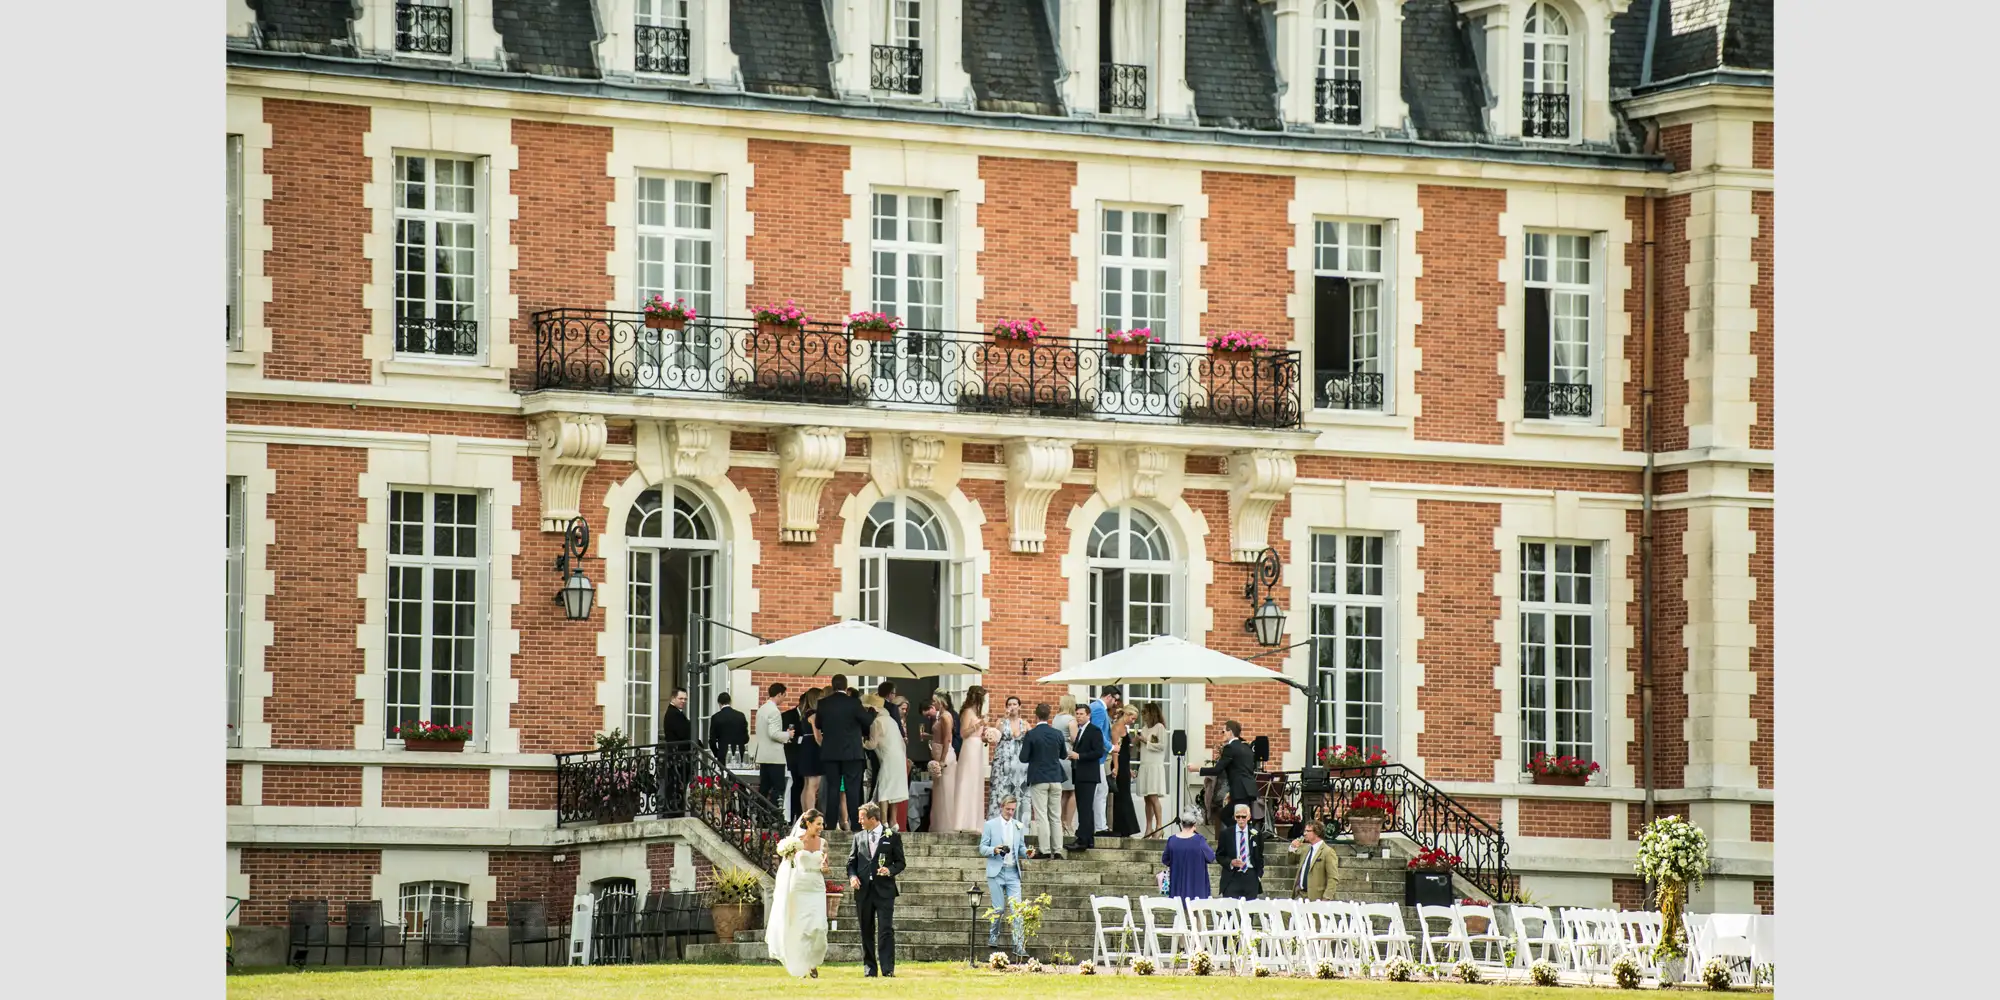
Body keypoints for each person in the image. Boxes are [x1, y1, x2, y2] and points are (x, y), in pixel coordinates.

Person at [766, 809, 830, 978]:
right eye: (818, 824)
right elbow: (786, 866)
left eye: (821, 824)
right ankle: (803, 965)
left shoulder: (823, 843)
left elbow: (825, 866)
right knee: (801, 928)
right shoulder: (795, 842)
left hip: (816, 886)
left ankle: (813, 961)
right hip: (799, 886)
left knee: (818, 927)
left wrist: (825, 868)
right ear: (808, 824)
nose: (821, 827)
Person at [847, 801, 904, 977]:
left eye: (862, 818)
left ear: (873, 818)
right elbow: (851, 863)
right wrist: (852, 877)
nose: (860, 821)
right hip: (863, 891)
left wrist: (890, 870)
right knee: (866, 929)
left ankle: (887, 969)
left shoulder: (892, 837)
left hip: (884, 890)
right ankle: (870, 968)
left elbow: (901, 862)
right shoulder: (858, 837)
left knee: (886, 929)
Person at [813, 674, 874, 831]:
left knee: (833, 788)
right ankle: (855, 824)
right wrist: (872, 712)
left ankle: (831, 824)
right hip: (851, 752)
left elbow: (818, 724)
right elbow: (867, 721)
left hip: (830, 752)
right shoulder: (853, 703)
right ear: (846, 687)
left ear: (833, 686)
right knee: (852, 789)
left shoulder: (823, 703)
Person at [980, 795, 1031, 958]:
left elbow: (1021, 847)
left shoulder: (1018, 826)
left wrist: (1028, 853)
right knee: (999, 908)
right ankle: (993, 934)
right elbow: (982, 848)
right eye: (1008, 809)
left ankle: (1019, 944)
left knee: (1017, 909)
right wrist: (994, 849)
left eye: (1013, 810)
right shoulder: (990, 825)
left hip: (1013, 872)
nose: (1010, 812)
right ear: (1001, 807)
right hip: (996, 871)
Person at [1017, 702, 1067, 859]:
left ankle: (1045, 850)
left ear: (1036, 715)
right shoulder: (1057, 734)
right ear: (1049, 715)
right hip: (1056, 777)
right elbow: (1063, 755)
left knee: (1041, 816)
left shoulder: (1032, 734)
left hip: (1039, 777)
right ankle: (1058, 850)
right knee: (1055, 815)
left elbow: (1023, 758)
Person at [938, 685, 990, 833]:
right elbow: (963, 733)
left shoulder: (976, 712)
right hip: (969, 748)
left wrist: (985, 734)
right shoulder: (968, 712)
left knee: (975, 782)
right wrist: (980, 724)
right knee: (967, 781)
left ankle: (973, 822)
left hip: (977, 746)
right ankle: (962, 821)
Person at [1192, 719, 1259, 824]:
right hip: (1249, 790)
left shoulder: (1230, 748)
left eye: (1223, 731)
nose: (1222, 734)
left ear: (1230, 732)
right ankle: (1241, 836)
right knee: (1243, 818)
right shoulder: (1247, 748)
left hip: (1240, 791)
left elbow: (1217, 770)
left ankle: (1241, 836)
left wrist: (1198, 769)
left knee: (1227, 816)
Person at [861, 693, 909, 829]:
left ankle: (883, 821)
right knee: (895, 789)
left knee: (884, 789)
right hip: (899, 757)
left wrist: (860, 742)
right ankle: (894, 821)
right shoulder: (891, 720)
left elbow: (872, 744)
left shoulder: (877, 722)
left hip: (888, 758)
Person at [1067, 705, 1106, 853]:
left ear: (1088, 715)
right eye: (1077, 714)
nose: (1079, 716)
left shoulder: (1094, 730)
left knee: (1084, 807)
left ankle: (1082, 839)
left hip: (1088, 775)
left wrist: (1079, 756)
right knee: (1084, 807)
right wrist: (1073, 755)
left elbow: (1097, 752)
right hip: (1080, 773)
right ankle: (1088, 839)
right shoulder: (1081, 731)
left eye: (1082, 714)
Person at [989, 696, 1030, 824]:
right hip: (1003, 762)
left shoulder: (1025, 724)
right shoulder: (1001, 721)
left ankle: (1018, 824)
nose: (1012, 706)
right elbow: (997, 735)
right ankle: (998, 824)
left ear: (1019, 707)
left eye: (1015, 704)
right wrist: (1004, 717)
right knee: (1001, 791)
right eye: (1010, 704)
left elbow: (1031, 741)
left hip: (1020, 763)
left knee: (1018, 792)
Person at [1087, 687, 1121, 835]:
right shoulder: (1099, 709)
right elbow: (1098, 733)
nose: (1116, 703)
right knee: (1101, 791)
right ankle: (1100, 827)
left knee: (1101, 790)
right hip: (1098, 758)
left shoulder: (1095, 707)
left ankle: (1100, 826)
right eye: (1115, 699)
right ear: (1108, 696)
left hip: (1096, 757)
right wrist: (1111, 747)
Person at [1215, 803, 1266, 899]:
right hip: (1232, 875)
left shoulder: (1256, 834)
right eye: (1238, 817)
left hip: (1250, 874)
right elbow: (1219, 855)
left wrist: (1258, 874)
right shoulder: (1226, 833)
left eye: (1243, 816)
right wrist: (1230, 862)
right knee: (1230, 909)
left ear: (1249, 817)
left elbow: (1259, 855)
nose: (1241, 820)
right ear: (1234, 817)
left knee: (1250, 910)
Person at [1161, 811, 1214, 901]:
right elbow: (1211, 857)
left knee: (1180, 911)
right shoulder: (1199, 840)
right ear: (1194, 824)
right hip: (1197, 887)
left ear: (1182, 824)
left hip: (1177, 885)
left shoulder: (1172, 840)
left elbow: (1165, 859)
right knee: (1197, 912)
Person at [924, 692, 957, 834]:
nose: (933, 704)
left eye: (934, 701)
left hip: (944, 754)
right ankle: (938, 824)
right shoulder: (940, 716)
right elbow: (939, 736)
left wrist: (942, 760)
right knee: (938, 791)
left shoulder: (945, 716)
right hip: (937, 752)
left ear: (941, 702)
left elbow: (947, 738)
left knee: (945, 790)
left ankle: (947, 825)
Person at [755, 683, 791, 811]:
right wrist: (788, 734)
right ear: (779, 694)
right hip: (775, 757)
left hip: (763, 755)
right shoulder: (774, 711)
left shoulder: (762, 709)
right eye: (784, 696)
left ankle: (760, 814)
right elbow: (774, 734)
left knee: (764, 788)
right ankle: (774, 816)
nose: (784, 699)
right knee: (778, 788)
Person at [1137, 703, 1169, 834]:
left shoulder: (1160, 727)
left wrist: (1145, 741)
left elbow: (1162, 746)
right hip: (1145, 764)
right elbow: (1142, 747)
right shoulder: (1144, 728)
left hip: (1155, 765)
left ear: (1152, 713)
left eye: (1145, 713)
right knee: (1146, 798)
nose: (1143, 716)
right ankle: (1148, 827)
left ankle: (1159, 826)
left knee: (1153, 796)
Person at [1288, 820, 1339, 900]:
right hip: (1300, 895)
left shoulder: (1328, 852)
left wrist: (1326, 898)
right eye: (1305, 831)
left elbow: (1332, 878)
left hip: (1316, 898)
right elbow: (1291, 861)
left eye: (1308, 831)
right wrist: (1292, 847)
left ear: (1317, 832)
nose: (1304, 833)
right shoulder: (1305, 848)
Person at [1109, 706, 1141, 837]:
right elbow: (1115, 750)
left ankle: (1126, 827)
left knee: (1125, 794)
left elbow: (1126, 749)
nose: (1133, 721)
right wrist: (1116, 767)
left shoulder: (1125, 729)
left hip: (1124, 763)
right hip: (1119, 763)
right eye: (1132, 718)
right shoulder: (1116, 728)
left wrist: (1128, 769)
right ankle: (1121, 827)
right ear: (1126, 715)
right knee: (1121, 795)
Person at [796, 688, 824, 825]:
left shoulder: (805, 712)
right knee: (813, 784)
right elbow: (817, 735)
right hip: (813, 748)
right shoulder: (813, 714)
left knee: (807, 784)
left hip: (806, 748)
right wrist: (823, 745)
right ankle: (811, 814)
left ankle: (805, 813)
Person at [1052, 693, 1077, 835]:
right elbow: (1075, 739)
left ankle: (1060, 823)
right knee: (1074, 791)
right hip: (1068, 755)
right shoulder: (1071, 720)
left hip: (1058, 755)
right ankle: (1068, 822)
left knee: (1062, 793)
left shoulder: (1056, 718)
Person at [709, 691, 749, 765]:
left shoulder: (716, 717)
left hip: (723, 755)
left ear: (719, 703)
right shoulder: (740, 716)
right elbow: (746, 738)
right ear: (730, 702)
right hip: (739, 755)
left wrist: (717, 754)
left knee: (723, 776)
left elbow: (712, 740)